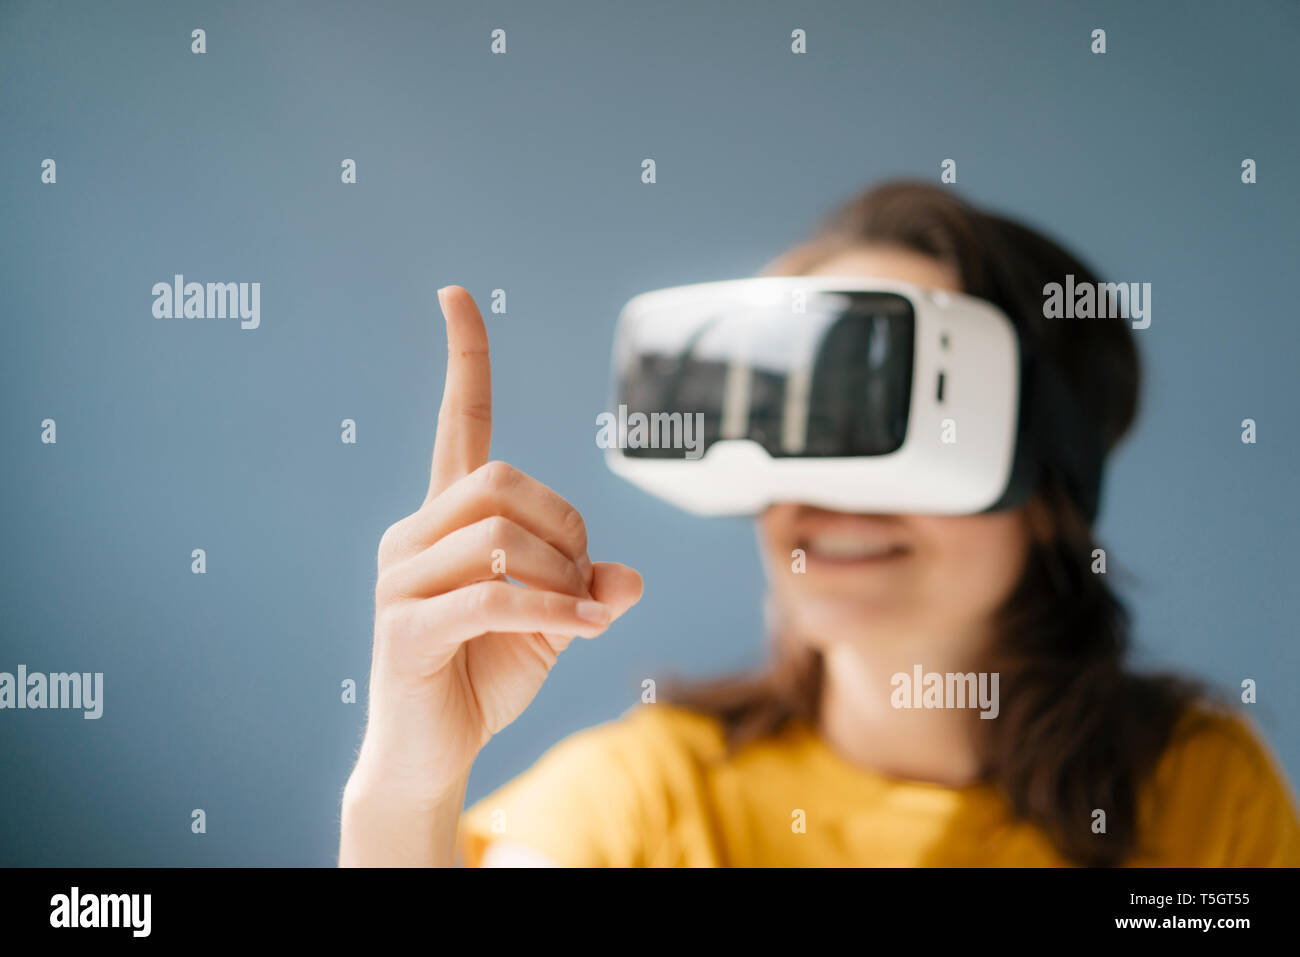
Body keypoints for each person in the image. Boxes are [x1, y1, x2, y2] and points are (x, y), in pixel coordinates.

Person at [338, 181, 1300, 867]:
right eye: (792, 424)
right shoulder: (652, 799)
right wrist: (406, 789)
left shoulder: (1197, 791)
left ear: (1050, 484)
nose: (829, 493)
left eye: (883, 415)